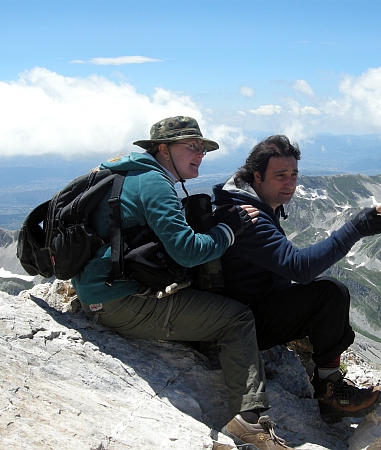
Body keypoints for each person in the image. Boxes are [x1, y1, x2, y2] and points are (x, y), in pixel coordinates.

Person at [72, 117, 292, 450]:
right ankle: (251, 421)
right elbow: (189, 253)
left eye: (202, 147)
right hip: (120, 302)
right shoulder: (156, 184)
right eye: (191, 146)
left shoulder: (125, 172)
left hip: (99, 290)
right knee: (236, 318)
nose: (199, 153)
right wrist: (228, 230)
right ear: (162, 149)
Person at [212, 134, 381, 425]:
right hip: (242, 322)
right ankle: (331, 393)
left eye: (293, 174)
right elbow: (298, 267)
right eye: (280, 175)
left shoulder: (247, 202)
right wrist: (355, 228)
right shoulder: (247, 217)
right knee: (330, 293)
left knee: (322, 291)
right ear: (257, 176)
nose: (290, 183)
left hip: (247, 307)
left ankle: (329, 384)